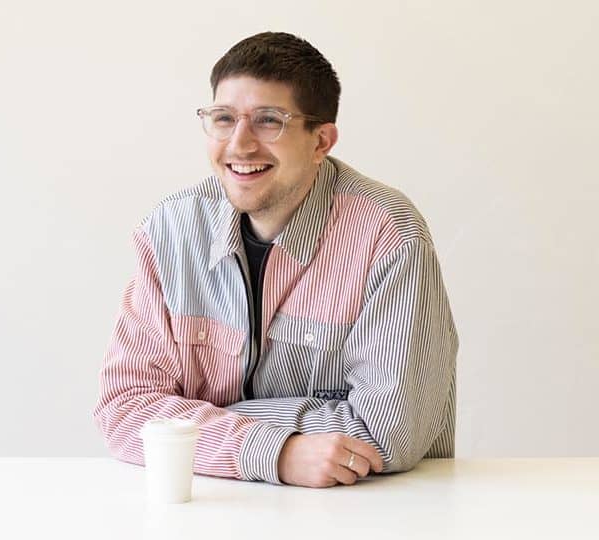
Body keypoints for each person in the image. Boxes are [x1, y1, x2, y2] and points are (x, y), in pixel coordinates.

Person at [94, 32, 458, 488]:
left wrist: (193, 425)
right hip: (208, 509)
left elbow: (388, 433)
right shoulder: (170, 230)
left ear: (321, 140)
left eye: (269, 121)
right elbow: (124, 408)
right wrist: (275, 451)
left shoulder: (388, 234)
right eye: (223, 118)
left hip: (366, 511)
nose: (240, 145)